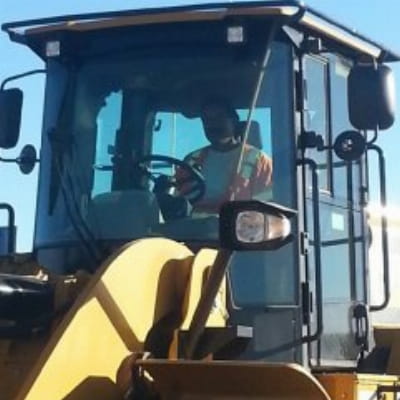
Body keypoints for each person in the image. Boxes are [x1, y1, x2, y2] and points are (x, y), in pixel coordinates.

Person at [177, 97, 273, 213]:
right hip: (192, 224)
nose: (212, 124)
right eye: (207, 120)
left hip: (238, 224)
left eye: (219, 117)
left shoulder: (259, 161)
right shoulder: (191, 160)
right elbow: (177, 201)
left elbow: (267, 207)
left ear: (234, 121)